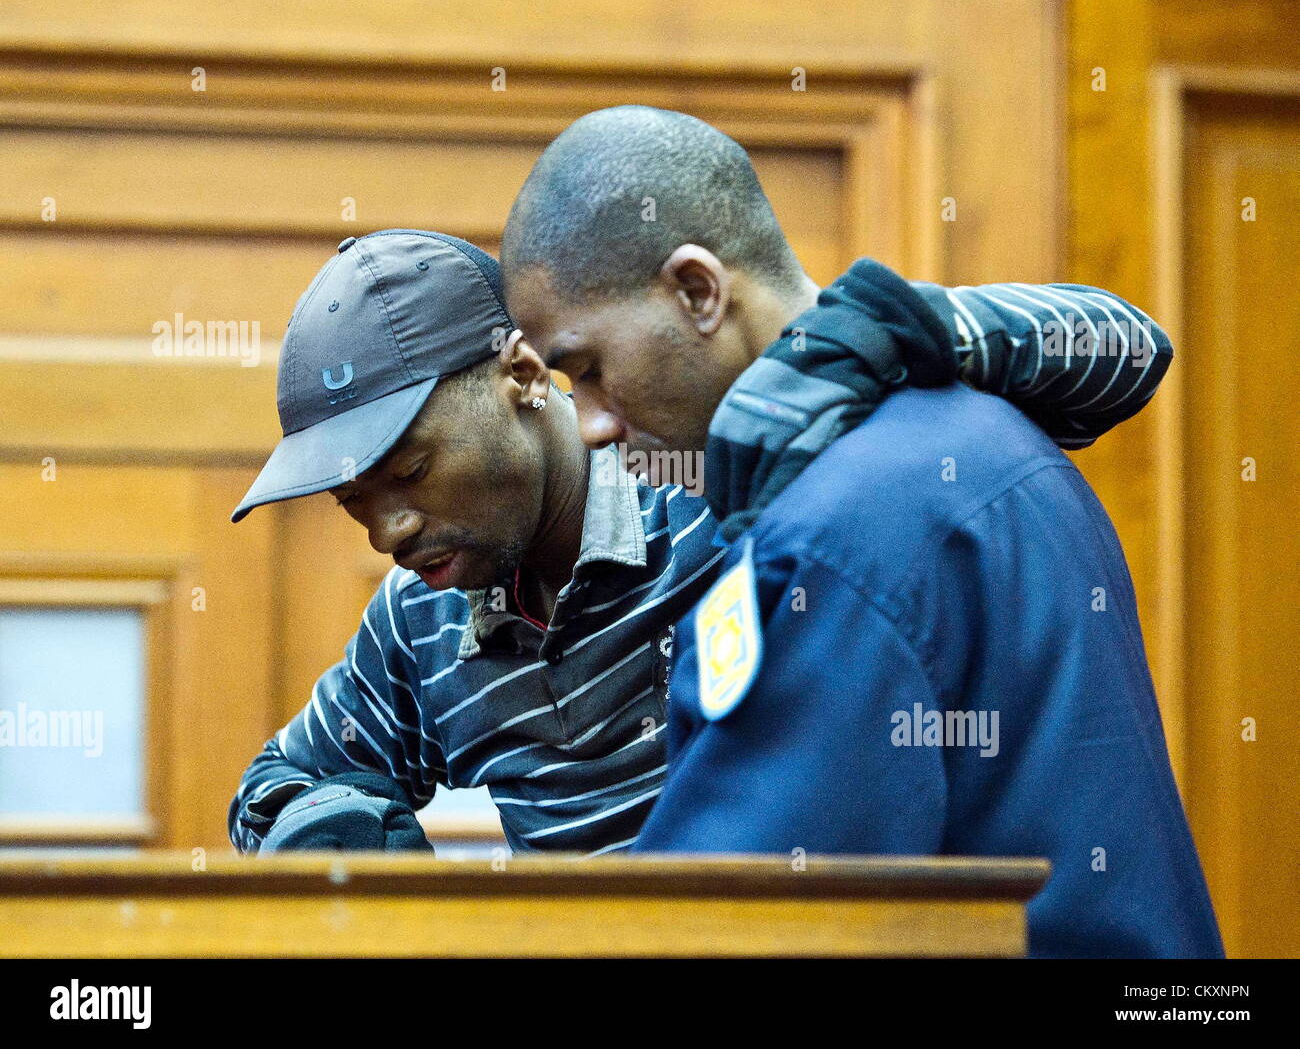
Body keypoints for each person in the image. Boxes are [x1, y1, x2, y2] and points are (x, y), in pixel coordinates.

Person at [499, 105, 1224, 957]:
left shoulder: (823, 543)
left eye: (589, 369)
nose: (588, 425)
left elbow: (731, 929)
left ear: (698, 291)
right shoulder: (997, 439)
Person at [228, 229, 1170, 862]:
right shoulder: (419, 617)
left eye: (412, 471)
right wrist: (325, 832)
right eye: (356, 501)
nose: (387, 529)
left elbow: (1130, 350)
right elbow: (276, 785)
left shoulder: (727, 486)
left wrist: (873, 334)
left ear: (520, 373)